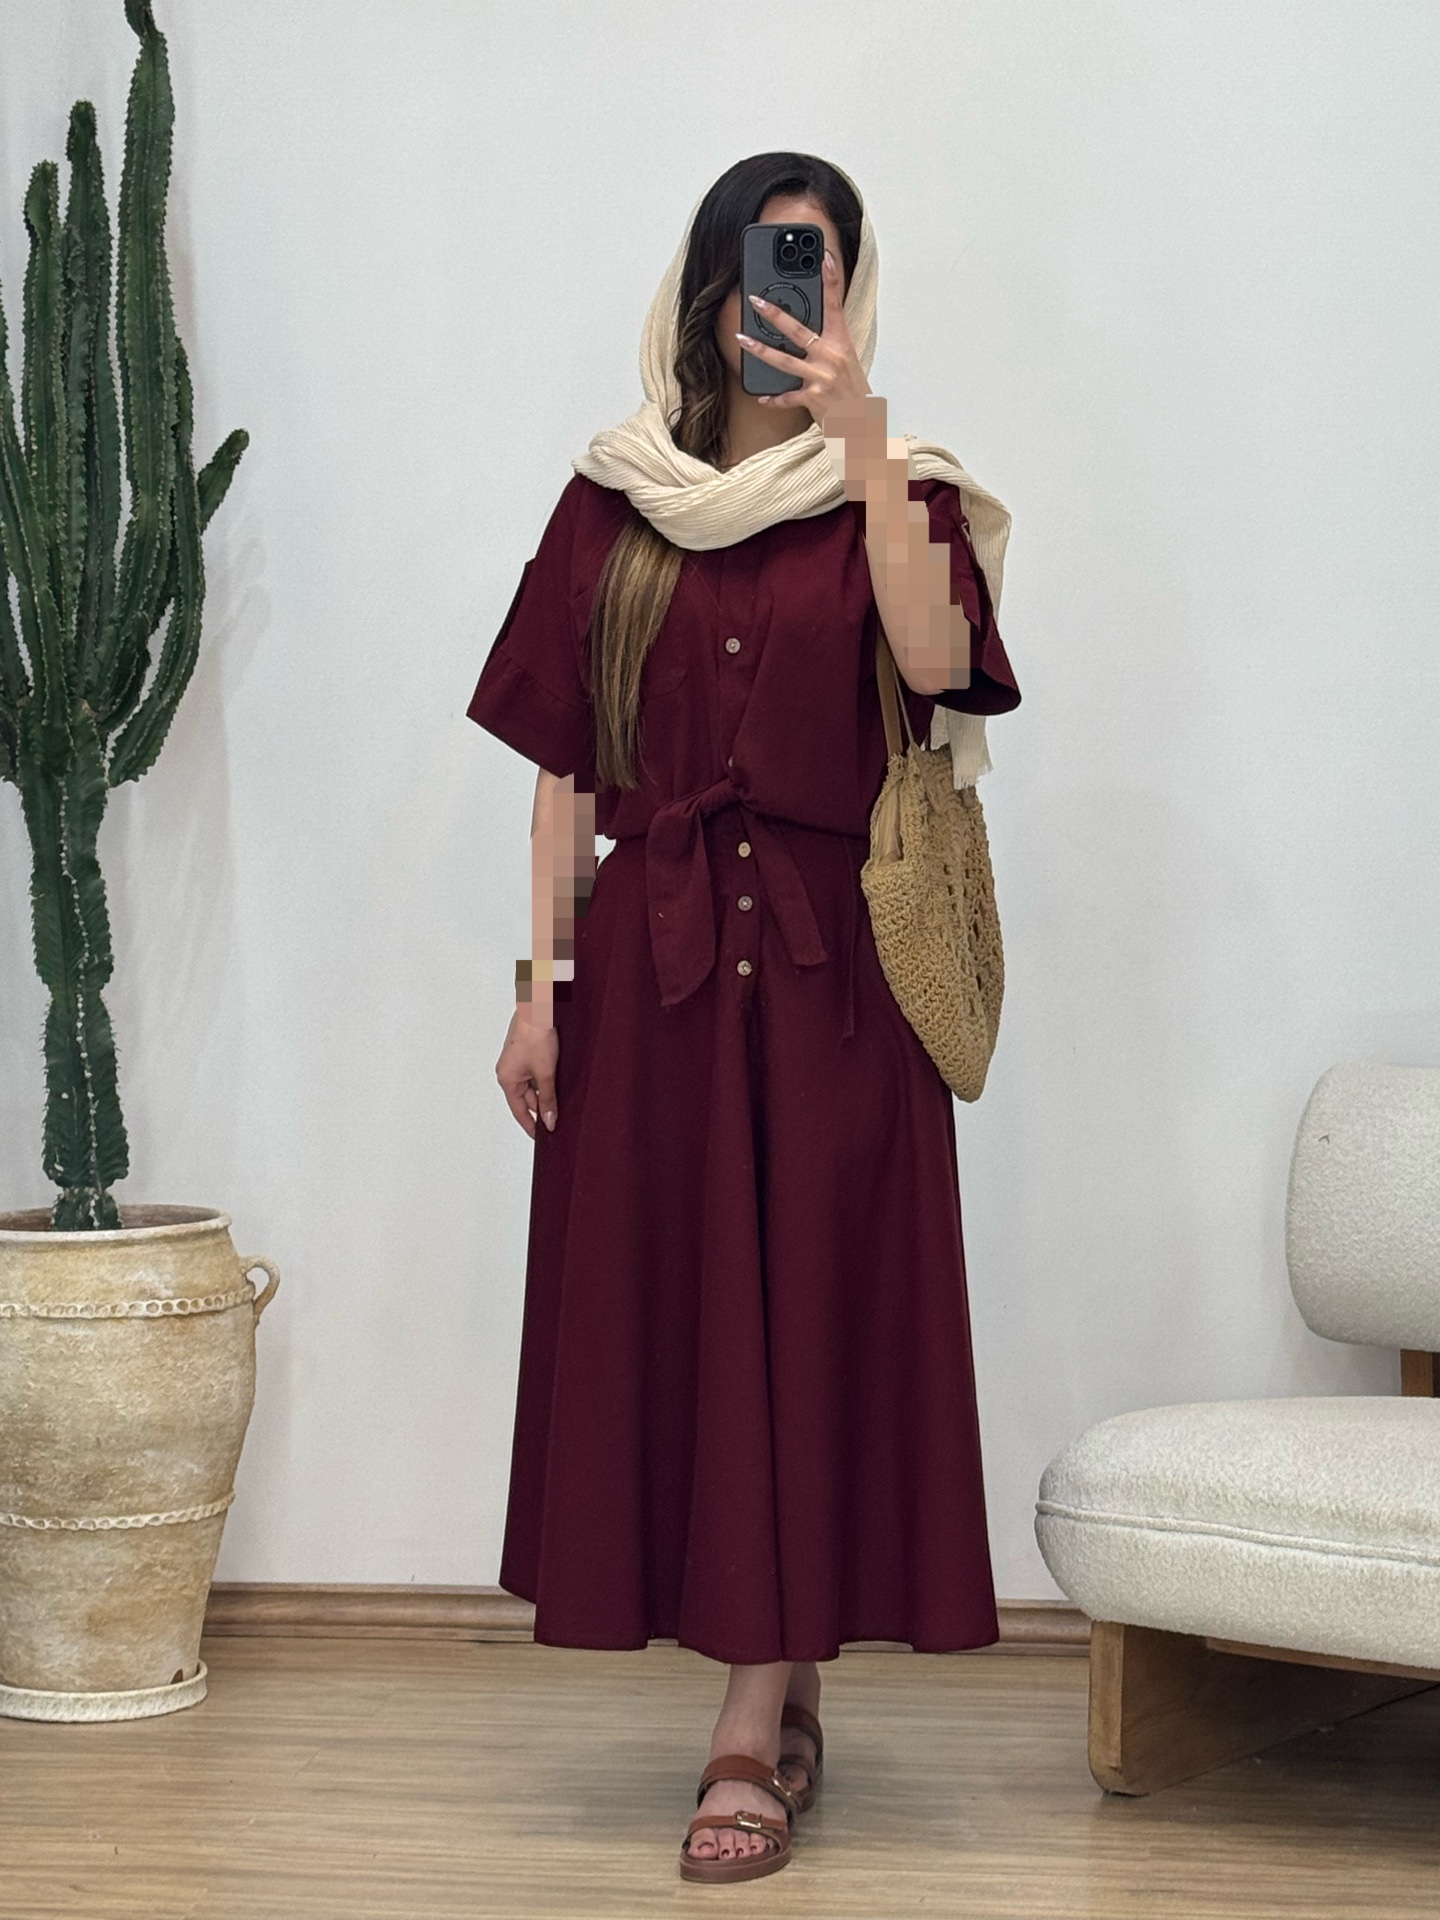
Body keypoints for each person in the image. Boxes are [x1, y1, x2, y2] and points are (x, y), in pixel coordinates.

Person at [466, 152, 1022, 1885]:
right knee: (697, 1330)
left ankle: (744, 1726)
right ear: (713, 291)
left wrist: (863, 443)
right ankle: (775, 1693)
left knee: (807, 1327)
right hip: (653, 980)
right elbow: (567, 770)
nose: (797, 299)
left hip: (836, 984)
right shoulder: (612, 501)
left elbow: (938, 668)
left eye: (826, 269)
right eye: (775, 267)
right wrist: (539, 989)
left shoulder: (899, 492)